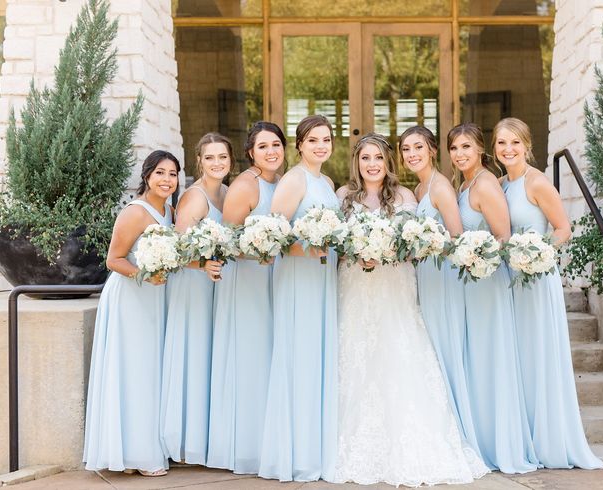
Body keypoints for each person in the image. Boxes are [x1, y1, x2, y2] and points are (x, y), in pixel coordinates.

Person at [332, 133, 488, 486]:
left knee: (399, 355)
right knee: (356, 356)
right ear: (356, 162)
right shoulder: (342, 197)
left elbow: (423, 241)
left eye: (378, 158)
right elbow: (335, 245)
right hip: (355, 286)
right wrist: (356, 252)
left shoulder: (406, 196)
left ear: (389, 163)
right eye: (365, 158)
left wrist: (393, 251)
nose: (372, 164)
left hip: (395, 287)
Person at [496, 117, 603, 470]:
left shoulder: (537, 182)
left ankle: (549, 440)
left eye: (514, 142)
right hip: (506, 280)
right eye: (501, 143)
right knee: (515, 359)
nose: (507, 150)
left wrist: (537, 252)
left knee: (537, 355)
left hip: (535, 279)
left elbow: (562, 229)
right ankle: (521, 436)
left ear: (527, 145)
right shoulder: (499, 184)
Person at [83, 150, 180, 476]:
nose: (167, 180)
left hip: (155, 298)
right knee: (134, 371)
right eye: (161, 173)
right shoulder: (135, 212)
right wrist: (144, 275)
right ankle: (136, 454)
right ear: (147, 175)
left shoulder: (170, 209)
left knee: (151, 372)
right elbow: (114, 260)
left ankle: (141, 447)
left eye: (173, 174)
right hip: (131, 298)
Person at [449, 123, 538, 474]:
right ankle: (482, 442)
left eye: (466, 147)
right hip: (473, 285)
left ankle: (499, 446)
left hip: (488, 284)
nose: (460, 154)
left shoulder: (485, 183)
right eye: (454, 148)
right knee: (479, 364)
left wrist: (475, 254)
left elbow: (502, 237)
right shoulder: (469, 182)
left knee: (490, 363)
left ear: (481, 149)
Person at [258, 115, 339, 482]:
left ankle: (318, 447)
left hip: (322, 279)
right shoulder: (294, 180)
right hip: (298, 279)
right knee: (300, 357)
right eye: (312, 140)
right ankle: (297, 454)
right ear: (300, 145)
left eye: (326, 139)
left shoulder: (327, 182)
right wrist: (306, 250)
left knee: (318, 358)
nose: (320, 146)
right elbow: (274, 238)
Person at [207, 122, 285, 473]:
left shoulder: (280, 183)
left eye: (276, 145)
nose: (271, 152)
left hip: (273, 279)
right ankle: (245, 447)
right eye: (263, 146)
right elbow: (226, 240)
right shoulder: (245, 185)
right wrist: (260, 249)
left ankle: (268, 441)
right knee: (249, 358)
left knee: (268, 357)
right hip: (247, 281)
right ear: (250, 152)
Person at [398, 126, 479, 453]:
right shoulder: (419, 187)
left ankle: (459, 432)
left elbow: (457, 238)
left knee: (444, 350)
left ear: (432, 150)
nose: (412, 154)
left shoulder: (441, 187)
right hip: (426, 277)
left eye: (418, 147)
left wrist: (427, 244)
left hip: (443, 277)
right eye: (406, 149)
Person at [160, 133, 231, 466]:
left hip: (215, 286)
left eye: (223, 157)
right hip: (193, 285)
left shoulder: (228, 194)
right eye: (210, 157)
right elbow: (175, 250)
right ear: (199, 161)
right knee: (193, 354)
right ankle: (184, 441)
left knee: (209, 358)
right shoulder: (195, 197)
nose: (217, 163)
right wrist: (202, 263)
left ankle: (205, 438)